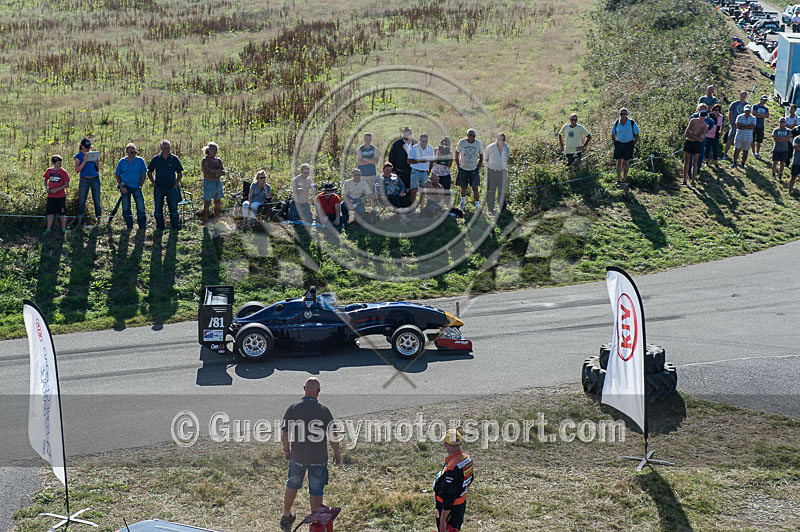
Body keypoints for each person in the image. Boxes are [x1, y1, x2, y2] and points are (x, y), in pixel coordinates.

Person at [280, 377, 341, 532]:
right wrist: (337, 453)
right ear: (318, 391)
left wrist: (286, 450)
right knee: (316, 489)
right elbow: (332, 434)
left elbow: (285, 432)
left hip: (298, 456)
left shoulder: (293, 408)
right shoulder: (324, 410)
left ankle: (286, 516)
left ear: (304, 389)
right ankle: (316, 523)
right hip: (318, 458)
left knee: (292, 484)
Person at [433, 429, 473, 532]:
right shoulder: (466, 459)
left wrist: (443, 520)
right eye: (453, 445)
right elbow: (470, 478)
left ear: (445, 444)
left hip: (448, 508)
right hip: (460, 505)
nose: (453, 449)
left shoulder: (452, 468)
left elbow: (448, 496)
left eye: (453, 445)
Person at [147, 139, 184, 230]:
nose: (168, 149)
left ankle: (175, 226)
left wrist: (175, 185)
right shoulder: (156, 159)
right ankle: (160, 226)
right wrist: (153, 183)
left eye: (169, 147)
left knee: (173, 208)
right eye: (166, 147)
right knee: (158, 208)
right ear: (161, 148)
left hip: (171, 187)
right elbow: (149, 172)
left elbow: (180, 174)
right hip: (159, 187)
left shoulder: (174, 159)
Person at [114, 143, 147, 230]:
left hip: (136, 187)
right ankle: (129, 226)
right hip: (125, 187)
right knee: (126, 207)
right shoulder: (122, 161)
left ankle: (142, 227)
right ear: (127, 152)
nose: (133, 153)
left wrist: (140, 185)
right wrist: (121, 186)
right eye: (131, 152)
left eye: (134, 152)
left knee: (140, 207)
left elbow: (144, 174)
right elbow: (117, 175)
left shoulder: (140, 161)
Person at [74, 137, 102, 227]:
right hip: (84, 180)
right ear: (82, 146)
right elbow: (77, 170)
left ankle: (99, 221)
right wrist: (85, 160)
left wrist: (96, 162)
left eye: (89, 147)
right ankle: (79, 222)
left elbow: (98, 169)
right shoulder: (78, 156)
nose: (88, 149)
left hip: (95, 179)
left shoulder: (93, 155)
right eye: (86, 147)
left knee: (97, 200)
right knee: (82, 201)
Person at [455, 129, 483, 211]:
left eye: (473, 135)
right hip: (463, 168)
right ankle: (462, 203)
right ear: (467, 135)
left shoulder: (478, 143)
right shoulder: (462, 142)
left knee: (475, 188)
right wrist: (458, 166)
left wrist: (478, 167)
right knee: (463, 187)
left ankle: (477, 205)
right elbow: (456, 154)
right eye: (470, 135)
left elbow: (481, 157)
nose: (471, 137)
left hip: (473, 169)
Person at [611, 108, 639, 188]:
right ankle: (618, 179)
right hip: (619, 143)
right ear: (619, 114)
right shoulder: (616, 123)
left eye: (624, 114)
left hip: (628, 144)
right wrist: (615, 143)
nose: (623, 115)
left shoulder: (631, 122)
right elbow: (612, 134)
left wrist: (633, 143)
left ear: (627, 114)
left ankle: (625, 179)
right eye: (621, 114)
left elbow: (637, 134)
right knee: (619, 162)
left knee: (626, 162)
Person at [483, 132, 510, 213]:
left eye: (503, 139)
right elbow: (486, 157)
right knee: (491, 190)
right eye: (500, 139)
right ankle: (490, 208)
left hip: (502, 172)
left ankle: (502, 208)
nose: (501, 141)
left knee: (502, 190)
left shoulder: (506, 148)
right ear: (497, 139)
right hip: (492, 171)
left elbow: (507, 159)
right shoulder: (490, 147)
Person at [43, 155, 70, 235]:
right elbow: (45, 179)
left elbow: (67, 184)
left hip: (60, 196)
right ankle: (48, 229)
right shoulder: (49, 170)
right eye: (58, 163)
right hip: (50, 196)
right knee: (50, 212)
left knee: (62, 212)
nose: (60, 164)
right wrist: (47, 187)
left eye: (60, 163)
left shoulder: (63, 172)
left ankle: (63, 229)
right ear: (54, 163)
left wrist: (57, 190)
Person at [408, 133, 434, 209]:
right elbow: (409, 161)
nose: (424, 143)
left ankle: (421, 207)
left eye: (425, 141)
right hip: (415, 171)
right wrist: (419, 161)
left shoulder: (430, 148)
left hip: (424, 172)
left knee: (423, 191)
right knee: (414, 190)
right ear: (419, 140)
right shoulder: (414, 148)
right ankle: (412, 207)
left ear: (427, 141)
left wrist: (429, 171)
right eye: (422, 141)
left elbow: (431, 161)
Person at [201, 141, 225, 225]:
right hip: (208, 184)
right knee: (207, 203)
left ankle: (217, 221)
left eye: (216, 149)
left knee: (217, 203)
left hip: (217, 184)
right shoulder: (205, 160)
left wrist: (213, 171)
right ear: (208, 150)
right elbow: (206, 174)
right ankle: (206, 221)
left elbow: (223, 172)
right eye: (212, 149)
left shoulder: (218, 160)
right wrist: (216, 172)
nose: (214, 151)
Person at [683, 113, 708, 186]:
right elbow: (686, 133)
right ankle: (685, 180)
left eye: (703, 117)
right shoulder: (693, 121)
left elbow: (701, 139)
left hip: (696, 145)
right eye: (700, 116)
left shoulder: (704, 125)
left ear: (705, 117)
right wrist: (696, 137)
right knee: (686, 161)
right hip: (689, 142)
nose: (701, 118)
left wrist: (692, 135)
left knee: (695, 162)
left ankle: (693, 181)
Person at [723, 91, 749, 160]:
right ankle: (725, 154)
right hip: (734, 125)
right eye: (742, 95)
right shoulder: (734, 104)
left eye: (744, 96)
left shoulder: (747, 105)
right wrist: (732, 123)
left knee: (740, 142)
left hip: (742, 127)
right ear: (739, 95)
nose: (743, 97)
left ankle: (736, 157)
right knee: (729, 140)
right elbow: (730, 113)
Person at [431, 137, 454, 213]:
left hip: (445, 173)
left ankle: (448, 208)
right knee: (436, 190)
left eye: (446, 143)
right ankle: (436, 207)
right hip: (436, 173)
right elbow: (433, 161)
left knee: (446, 190)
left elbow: (449, 164)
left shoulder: (450, 152)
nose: (444, 144)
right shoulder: (436, 150)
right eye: (443, 143)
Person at [730, 105, 756, 170]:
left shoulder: (753, 118)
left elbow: (752, 127)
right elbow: (738, 126)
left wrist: (743, 126)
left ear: (750, 111)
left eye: (749, 111)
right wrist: (747, 126)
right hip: (739, 136)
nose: (747, 112)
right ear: (744, 110)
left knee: (745, 151)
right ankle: (735, 162)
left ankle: (743, 163)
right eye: (746, 110)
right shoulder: (739, 116)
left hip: (748, 137)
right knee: (736, 150)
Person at [356, 132, 379, 197]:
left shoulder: (374, 148)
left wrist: (365, 159)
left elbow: (376, 161)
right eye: (366, 139)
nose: (368, 141)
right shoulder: (360, 149)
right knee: (361, 192)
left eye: (369, 139)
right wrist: (371, 161)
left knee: (372, 191)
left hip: (372, 173)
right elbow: (359, 162)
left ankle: (373, 206)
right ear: (364, 139)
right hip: (362, 174)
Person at [751, 95, 770, 159]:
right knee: (753, 139)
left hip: (761, 125)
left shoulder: (766, 108)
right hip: (754, 124)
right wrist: (762, 115)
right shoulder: (755, 106)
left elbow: (767, 115)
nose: (764, 101)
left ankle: (757, 152)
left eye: (765, 100)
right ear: (760, 99)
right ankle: (753, 152)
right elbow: (754, 114)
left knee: (759, 140)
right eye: (763, 99)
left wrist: (760, 115)